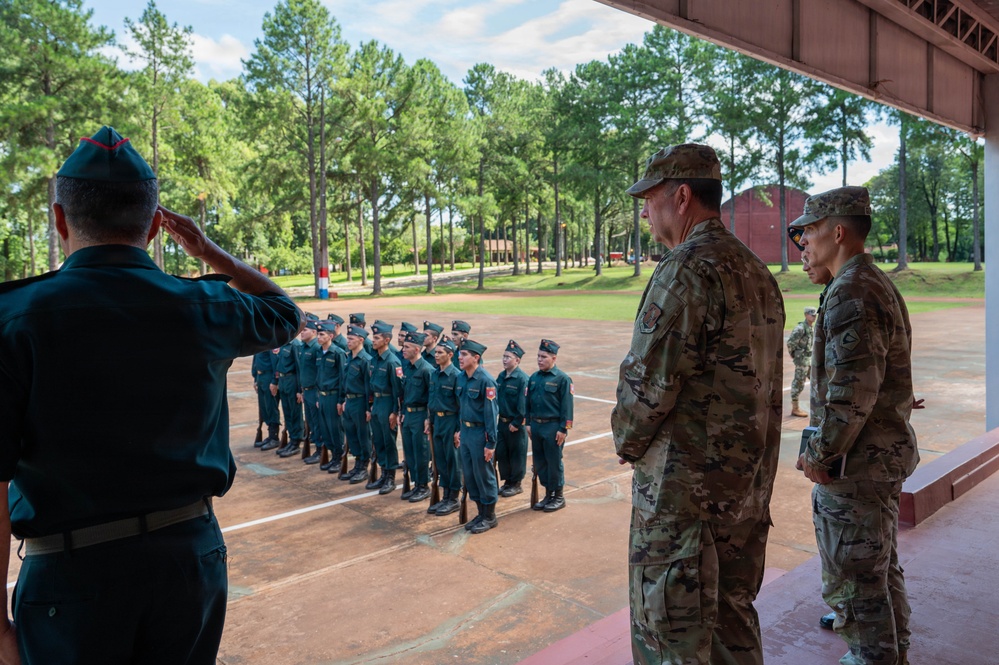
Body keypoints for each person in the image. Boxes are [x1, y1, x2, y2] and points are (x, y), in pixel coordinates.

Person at [0, 126, 301, 664]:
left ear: (60, 220)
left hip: (71, 579)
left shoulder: (14, 318)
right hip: (188, 561)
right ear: (158, 226)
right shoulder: (207, 306)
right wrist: (213, 254)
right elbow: (285, 313)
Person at [612, 144, 785, 665]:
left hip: (682, 506)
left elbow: (646, 389)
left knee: (673, 639)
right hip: (743, 494)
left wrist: (627, 440)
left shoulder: (685, 271)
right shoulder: (756, 272)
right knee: (732, 627)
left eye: (650, 198)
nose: (645, 211)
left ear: (682, 196)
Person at [790, 186, 917, 665]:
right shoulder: (871, 282)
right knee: (879, 572)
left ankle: (872, 657)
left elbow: (849, 395)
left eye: (810, 230)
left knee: (856, 581)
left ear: (837, 232)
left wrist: (819, 455)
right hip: (878, 458)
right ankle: (892, 651)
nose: (803, 241)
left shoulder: (851, 291)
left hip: (857, 467)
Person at [455, 340, 499, 534]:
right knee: (470, 474)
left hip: (481, 434)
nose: (459, 357)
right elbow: (461, 407)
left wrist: (491, 443)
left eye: (464, 354)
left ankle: (490, 516)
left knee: (484, 474)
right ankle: (481, 512)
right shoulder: (462, 378)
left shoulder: (486, 381)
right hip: (465, 432)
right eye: (460, 354)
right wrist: (459, 429)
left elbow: (491, 414)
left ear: (476, 358)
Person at [526, 339, 574, 511]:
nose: (539, 359)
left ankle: (558, 496)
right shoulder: (534, 378)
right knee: (540, 462)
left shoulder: (562, 379)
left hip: (553, 428)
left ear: (554, 358)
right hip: (537, 427)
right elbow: (528, 403)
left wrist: (563, 429)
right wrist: (528, 423)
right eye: (538, 356)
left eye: (544, 357)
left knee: (554, 462)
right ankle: (548, 494)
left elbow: (567, 407)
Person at [426, 339, 462, 516]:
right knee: (440, 459)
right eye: (436, 352)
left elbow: (461, 405)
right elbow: (432, 400)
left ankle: (453, 497)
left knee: (452, 460)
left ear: (450, 355)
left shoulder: (456, 376)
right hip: (437, 422)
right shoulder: (434, 374)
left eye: (440, 352)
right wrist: (429, 420)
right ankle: (445, 494)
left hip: (450, 422)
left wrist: (458, 429)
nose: (436, 355)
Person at [368, 320, 403, 495]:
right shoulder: (374, 360)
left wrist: (395, 412)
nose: (373, 340)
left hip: (388, 404)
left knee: (389, 442)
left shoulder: (392, 362)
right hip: (377, 403)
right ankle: (383, 473)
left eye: (376, 337)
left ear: (386, 340)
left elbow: (398, 391)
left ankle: (390, 477)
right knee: (379, 440)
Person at [400, 331, 433, 503]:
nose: (403, 349)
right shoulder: (408, 368)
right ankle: (416, 484)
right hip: (409, 414)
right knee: (410, 452)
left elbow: (432, 397)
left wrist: (428, 418)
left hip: (421, 415)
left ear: (417, 349)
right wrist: (402, 413)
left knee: (421, 452)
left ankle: (423, 486)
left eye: (407, 347)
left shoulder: (427, 370)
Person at [339, 325, 373, 484]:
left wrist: (368, 408)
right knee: (351, 434)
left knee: (363, 435)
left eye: (351, 339)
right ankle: (358, 462)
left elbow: (368, 386)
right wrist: (344, 400)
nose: (348, 341)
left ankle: (364, 466)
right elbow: (344, 382)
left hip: (360, 402)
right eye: (348, 338)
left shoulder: (365, 360)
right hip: (350, 401)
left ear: (361, 340)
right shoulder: (348, 357)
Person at [495, 340, 529, 497]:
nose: (504, 360)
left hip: (514, 424)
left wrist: (517, 422)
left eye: (508, 357)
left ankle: (516, 483)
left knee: (516, 454)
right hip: (501, 423)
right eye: (503, 356)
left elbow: (523, 405)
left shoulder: (522, 379)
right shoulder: (501, 377)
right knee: (503, 453)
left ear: (517, 360)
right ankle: (507, 481)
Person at [316, 320, 348, 473]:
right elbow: (319, 376)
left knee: (335, 429)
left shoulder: (337, 353)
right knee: (326, 428)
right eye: (318, 334)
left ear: (330, 336)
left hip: (333, 396)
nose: (318, 337)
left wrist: (341, 400)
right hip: (322, 396)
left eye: (321, 334)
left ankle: (338, 458)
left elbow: (343, 378)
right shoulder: (319, 352)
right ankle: (332, 455)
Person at [271, 336, 304, 457]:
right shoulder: (283, 342)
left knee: (295, 412)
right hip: (283, 380)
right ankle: (291, 439)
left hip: (292, 380)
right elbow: (278, 364)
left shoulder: (295, 345)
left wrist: (300, 389)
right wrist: (276, 381)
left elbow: (299, 367)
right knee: (287, 412)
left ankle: (296, 441)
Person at [298, 320, 325, 463]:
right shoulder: (304, 347)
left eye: (305, 330)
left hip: (314, 391)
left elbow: (320, 372)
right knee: (311, 421)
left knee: (317, 422)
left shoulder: (316, 348)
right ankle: (317, 447)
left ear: (314, 332)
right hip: (306, 390)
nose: (301, 332)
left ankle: (321, 450)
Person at [787, 306, 817, 417]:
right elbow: (791, 343)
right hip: (802, 360)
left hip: (809, 360)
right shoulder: (800, 328)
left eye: (814, 315)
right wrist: (795, 355)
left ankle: (819, 406)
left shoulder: (811, 328)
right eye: (811, 315)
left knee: (816, 381)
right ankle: (795, 408)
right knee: (798, 382)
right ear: (806, 315)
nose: (813, 317)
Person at [252, 348, 281, 449]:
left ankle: (274, 437)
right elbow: (255, 361)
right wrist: (255, 379)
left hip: (268, 377)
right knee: (264, 407)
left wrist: (274, 381)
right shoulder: (260, 343)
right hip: (260, 377)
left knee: (271, 406)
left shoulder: (271, 344)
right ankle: (270, 436)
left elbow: (276, 363)